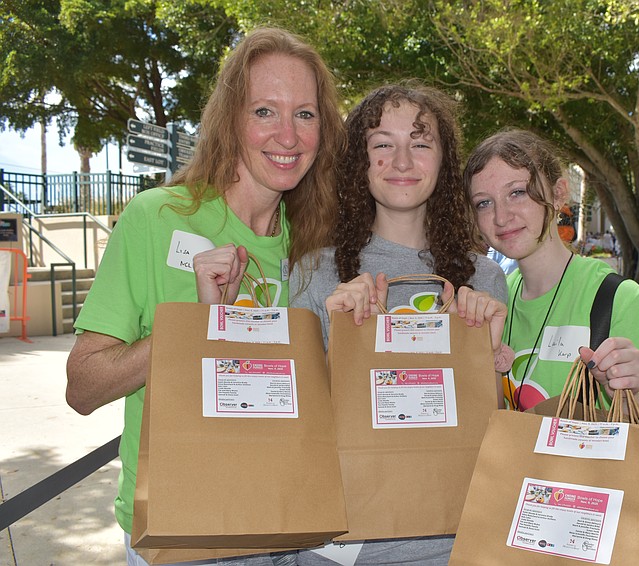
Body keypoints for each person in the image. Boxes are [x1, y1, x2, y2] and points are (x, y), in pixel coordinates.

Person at [65, 27, 344, 565]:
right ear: (230, 120)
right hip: (180, 532)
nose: (287, 135)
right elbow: (84, 386)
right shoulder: (157, 218)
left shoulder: (318, 249)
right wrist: (196, 324)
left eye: (305, 114)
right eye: (265, 110)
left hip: (287, 526)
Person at [289, 83, 507, 566]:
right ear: (358, 163)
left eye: (421, 142)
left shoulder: (485, 278)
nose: (403, 162)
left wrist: (484, 354)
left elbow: (489, 426)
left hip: (456, 539)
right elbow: (296, 426)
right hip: (344, 546)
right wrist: (338, 335)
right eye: (382, 144)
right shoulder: (314, 271)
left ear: (444, 161)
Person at [463, 129, 639, 420]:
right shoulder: (494, 302)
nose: (501, 217)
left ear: (558, 194)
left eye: (517, 193)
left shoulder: (617, 298)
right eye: (484, 202)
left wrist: (625, 390)